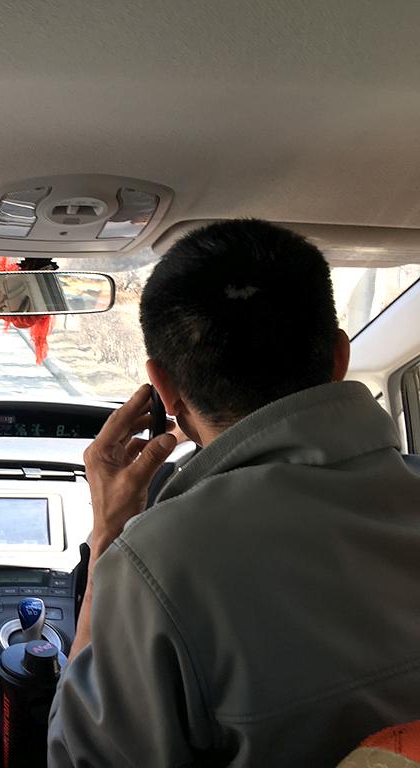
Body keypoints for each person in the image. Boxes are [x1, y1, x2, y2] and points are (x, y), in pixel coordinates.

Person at [47, 219, 420, 767]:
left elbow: (81, 759)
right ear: (339, 358)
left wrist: (109, 534)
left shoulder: (156, 561)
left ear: (164, 389)